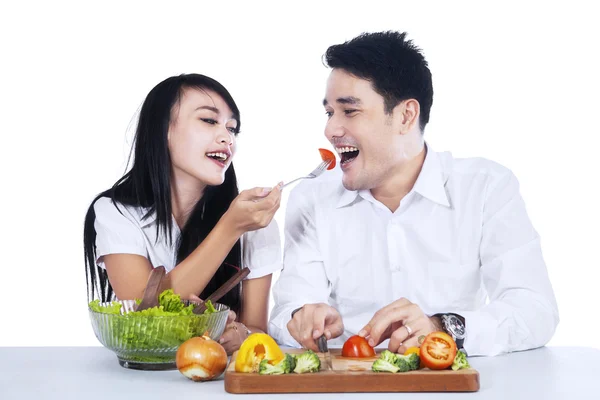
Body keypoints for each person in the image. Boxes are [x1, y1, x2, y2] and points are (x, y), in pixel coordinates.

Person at [268, 31, 559, 357]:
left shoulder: (486, 187)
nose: (330, 130)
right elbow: (286, 312)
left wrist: (443, 327)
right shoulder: (311, 197)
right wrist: (302, 317)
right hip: (346, 382)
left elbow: (536, 310)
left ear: (406, 116)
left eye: (349, 111)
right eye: (329, 112)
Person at [84, 73, 282, 354]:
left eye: (232, 128)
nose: (226, 137)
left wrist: (242, 335)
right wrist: (229, 228)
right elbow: (146, 312)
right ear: (163, 129)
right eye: (209, 120)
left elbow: (256, 329)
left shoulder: (255, 223)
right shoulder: (115, 213)